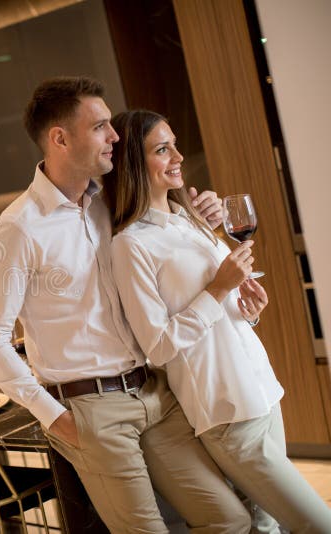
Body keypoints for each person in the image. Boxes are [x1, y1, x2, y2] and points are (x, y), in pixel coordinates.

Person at [0, 77, 251, 533]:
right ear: (60, 138)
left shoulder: (112, 200)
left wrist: (203, 215)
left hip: (154, 392)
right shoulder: (18, 230)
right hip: (90, 411)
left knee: (230, 520)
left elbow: (165, 234)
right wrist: (55, 418)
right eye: (101, 126)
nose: (116, 137)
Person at [105, 108, 331, 534]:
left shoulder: (188, 219)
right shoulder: (129, 245)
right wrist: (220, 290)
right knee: (315, 522)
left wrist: (246, 309)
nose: (177, 156)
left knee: (267, 526)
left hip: (262, 390)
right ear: (134, 163)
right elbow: (157, 346)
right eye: (161, 149)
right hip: (227, 410)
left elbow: (215, 314)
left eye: (174, 144)